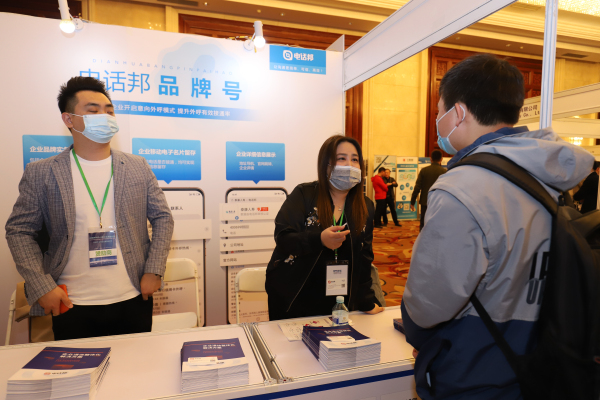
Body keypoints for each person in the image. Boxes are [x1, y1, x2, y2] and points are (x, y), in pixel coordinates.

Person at [401, 54, 593, 399]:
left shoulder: (461, 187)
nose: (438, 121)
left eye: (439, 111)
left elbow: (428, 305)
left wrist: (420, 334)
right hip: (542, 357)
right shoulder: (545, 175)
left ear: (458, 113)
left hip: (476, 368)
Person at [5, 77, 174, 340]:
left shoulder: (137, 166)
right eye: (93, 111)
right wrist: (42, 286)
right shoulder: (42, 172)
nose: (104, 117)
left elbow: (163, 218)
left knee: (136, 365)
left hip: (132, 296)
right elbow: (19, 231)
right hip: (71, 303)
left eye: (109, 111)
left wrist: (154, 269)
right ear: (69, 119)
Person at [265, 135, 384, 320]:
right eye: (341, 158)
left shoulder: (365, 205)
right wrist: (319, 239)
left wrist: (366, 300)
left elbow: (364, 257)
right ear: (326, 164)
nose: (349, 165)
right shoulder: (304, 194)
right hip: (295, 297)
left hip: (340, 300)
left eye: (355, 160)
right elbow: (283, 237)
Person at [410, 150, 446, 230]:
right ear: (441, 159)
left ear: (430, 159)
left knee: (423, 223)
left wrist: (412, 202)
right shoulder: (444, 172)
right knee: (437, 223)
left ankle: (422, 237)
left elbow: (417, 187)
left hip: (425, 201)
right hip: (439, 202)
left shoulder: (424, 170)